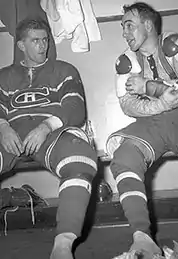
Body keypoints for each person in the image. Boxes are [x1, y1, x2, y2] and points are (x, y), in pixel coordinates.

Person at [105, 2, 178, 259]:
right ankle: (142, 240)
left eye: (129, 25)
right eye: (123, 26)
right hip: (152, 120)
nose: (124, 32)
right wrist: (161, 100)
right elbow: (128, 106)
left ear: (148, 25)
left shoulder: (175, 44)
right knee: (124, 156)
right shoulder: (126, 61)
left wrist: (150, 87)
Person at [0, 17, 97, 259]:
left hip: (51, 133)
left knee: (81, 159)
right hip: (9, 134)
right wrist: (2, 127)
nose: (43, 46)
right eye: (35, 41)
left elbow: (75, 108)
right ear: (21, 45)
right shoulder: (4, 76)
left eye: (45, 40)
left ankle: (63, 244)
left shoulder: (64, 70)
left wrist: (46, 126)